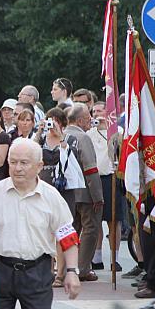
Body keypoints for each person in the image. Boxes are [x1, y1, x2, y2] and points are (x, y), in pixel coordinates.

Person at [0, 138, 81, 309]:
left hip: (37, 272)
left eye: (24, 163)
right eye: (13, 162)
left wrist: (71, 271)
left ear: (39, 166)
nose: (17, 168)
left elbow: (68, 237)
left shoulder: (52, 197)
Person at [33, 107, 83, 287]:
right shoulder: (40, 139)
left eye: (54, 121)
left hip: (63, 188)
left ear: (62, 123)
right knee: (44, 229)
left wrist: (60, 136)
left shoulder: (70, 138)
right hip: (43, 185)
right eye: (48, 120)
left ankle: (61, 273)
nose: (51, 125)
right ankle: (47, 271)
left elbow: (73, 157)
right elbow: (30, 151)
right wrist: (39, 132)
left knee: (62, 229)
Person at [65, 104, 103, 282]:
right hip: (85, 193)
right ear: (79, 120)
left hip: (67, 193)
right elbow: (90, 169)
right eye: (88, 117)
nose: (90, 120)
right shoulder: (83, 138)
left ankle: (67, 267)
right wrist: (98, 196)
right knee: (91, 229)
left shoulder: (62, 135)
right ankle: (83, 267)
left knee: (71, 229)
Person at [88, 102, 123, 273]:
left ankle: (114, 259)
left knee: (113, 220)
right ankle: (97, 258)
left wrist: (109, 129)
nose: (96, 114)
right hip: (94, 178)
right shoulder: (88, 133)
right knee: (95, 220)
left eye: (100, 110)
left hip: (111, 178)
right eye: (94, 111)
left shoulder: (117, 132)